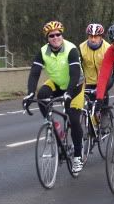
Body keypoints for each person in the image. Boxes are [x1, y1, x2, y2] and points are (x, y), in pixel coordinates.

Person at [23, 21, 86, 172]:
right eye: (52, 35)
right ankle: (53, 124)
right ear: (47, 38)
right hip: (57, 82)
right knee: (42, 95)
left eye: (58, 34)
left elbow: (75, 74)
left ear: (62, 35)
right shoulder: (43, 51)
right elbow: (34, 73)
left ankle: (77, 157)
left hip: (75, 85)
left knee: (74, 119)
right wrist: (30, 93)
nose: (55, 37)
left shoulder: (71, 49)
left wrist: (69, 93)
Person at [79, 23, 112, 108]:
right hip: (89, 83)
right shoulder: (81, 48)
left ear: (101, 37)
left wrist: (106, 85)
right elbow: (78, 67)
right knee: (88, 111)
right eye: (91, 36)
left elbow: (112, 70)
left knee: (103, 108)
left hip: (104, 82)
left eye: (96, 37)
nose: (93, 39)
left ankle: (105, 117)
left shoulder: (108, 48)